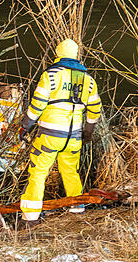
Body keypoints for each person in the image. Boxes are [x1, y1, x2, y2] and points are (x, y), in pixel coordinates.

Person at [18, 38, 102, 227]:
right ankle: (77, 210)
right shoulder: (88, 80)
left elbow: (37, 105)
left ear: (57, 55)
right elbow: (94, 110)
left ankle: (30, 218)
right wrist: (88, 132)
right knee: (70, 171)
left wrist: (25, 126)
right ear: (76, 56)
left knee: (38, 173)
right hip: (74, 137)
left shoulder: (50, 76)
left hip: (50, 135)